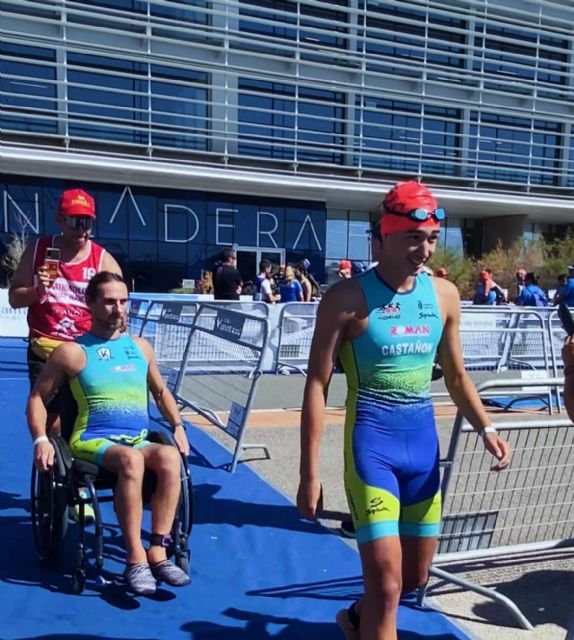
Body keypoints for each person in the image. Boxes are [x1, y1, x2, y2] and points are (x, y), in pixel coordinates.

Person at [296, 180, 511, 640]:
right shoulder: (345, 299)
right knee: (388, 585)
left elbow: (456, 376)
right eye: (414, 238)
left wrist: (486, 426)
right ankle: (372, 615)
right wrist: (309, 473)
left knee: (412, 579)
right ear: (384, 236)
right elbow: (317, 384)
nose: (424, 249)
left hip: (422, 453)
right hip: (372, 452)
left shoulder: (445, 296)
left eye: (432, 238)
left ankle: (357, 618)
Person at [27, 272, 191, 596]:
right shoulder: (72, 353)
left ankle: (157, 550)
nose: (118, 308)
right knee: (131, 461)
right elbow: (36, 399)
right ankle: (135, 559)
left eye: (123, 301)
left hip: (136, 439)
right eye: (110, 301)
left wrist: (178, 426)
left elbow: (160, 392)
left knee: (170, 456)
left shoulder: (140, 348)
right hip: (92, 440)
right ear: (90, 303)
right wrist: (41, 440)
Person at [9, 188, 122, 434]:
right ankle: (50, 465)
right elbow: (14, 299)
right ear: (59, 220)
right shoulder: (38, 250)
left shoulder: (104, 260)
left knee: (87, 421)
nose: (82, 229)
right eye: (74, 221)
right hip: (45, 349)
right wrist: (36, 291)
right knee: (50, 424)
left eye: (87, 222)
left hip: (85, 351)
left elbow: (120, 312)